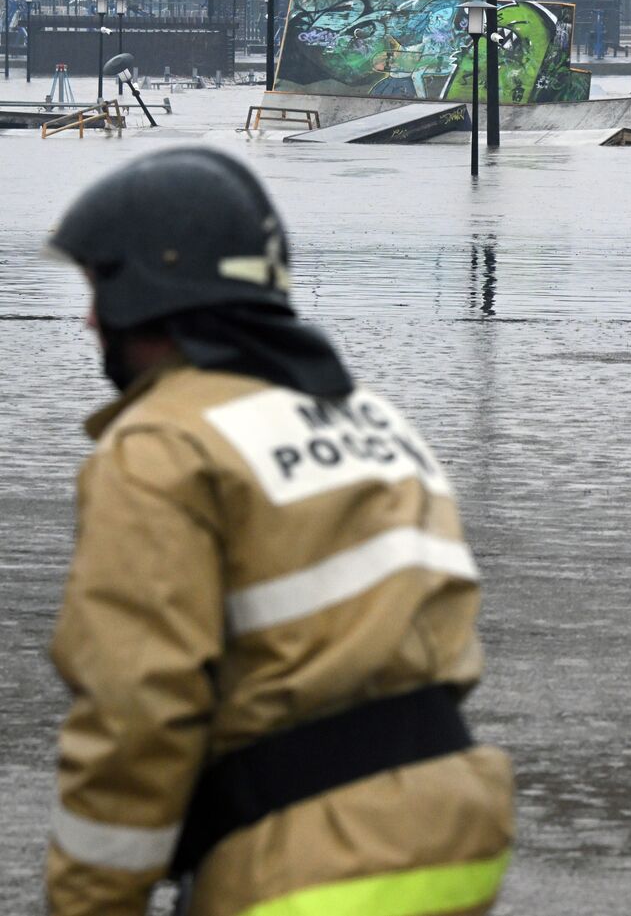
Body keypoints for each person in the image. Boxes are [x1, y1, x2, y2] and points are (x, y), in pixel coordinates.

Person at [43, 147, 514, 916]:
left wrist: (91, 902)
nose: (92, 316)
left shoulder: (161, 444)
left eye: (99, 287)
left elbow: (134, 709)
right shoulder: (372, 419)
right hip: (458, 832)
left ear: (148, 290)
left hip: (312, 861)